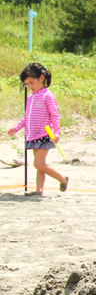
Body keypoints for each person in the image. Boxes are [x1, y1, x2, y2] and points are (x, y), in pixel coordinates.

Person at [7, 62, 68, 196]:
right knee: (41, 165)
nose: (30, 87)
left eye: (31, 83)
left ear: (41, 78)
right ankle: (39, 190)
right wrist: (15, 128)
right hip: (33, 136)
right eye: (27, 84)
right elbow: (26, 118)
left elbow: (54, 115)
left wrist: (56, 132)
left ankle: (62, 178)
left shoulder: (48, 96)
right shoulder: (30, 98)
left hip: (44, 135)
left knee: (38, 164)